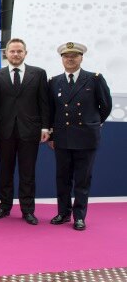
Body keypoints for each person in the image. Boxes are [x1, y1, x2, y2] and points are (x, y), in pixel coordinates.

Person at [48, 42, 111, 231]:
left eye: (74, 56)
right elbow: (51, 111)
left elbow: (105, 106)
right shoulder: (54, 81)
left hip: (85, 138)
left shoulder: (94, 79)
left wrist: (93, 122)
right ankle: (63, 212)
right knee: (63, 178)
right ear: (62, 59)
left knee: (82, 179)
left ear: (81, 58)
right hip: (62, 138)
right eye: (66, 56)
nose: (70, 59)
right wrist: (51, 134)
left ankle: (79, 216)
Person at [0, 38, 50, 225]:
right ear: (6, 54)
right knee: (5, 171)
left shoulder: (38, 74)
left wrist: (44, 127)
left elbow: (44, 103)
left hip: (30, 131)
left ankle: (28, 210)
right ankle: (4, 206)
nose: (16, 54)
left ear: (25, 53)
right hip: (4, 131)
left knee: (28, 172)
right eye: (12, 51)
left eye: (19, 51)